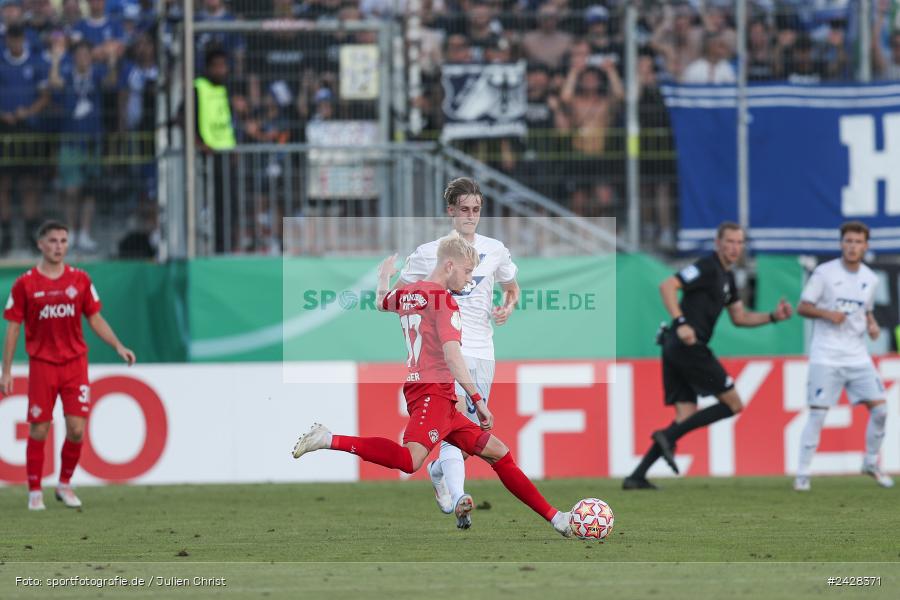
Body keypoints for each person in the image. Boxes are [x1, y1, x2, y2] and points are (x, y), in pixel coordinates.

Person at [292, 233, 572, 538]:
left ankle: (556, 518)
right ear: (449, 265)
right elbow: (453, 356)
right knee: (409, 460)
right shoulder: (445, 302)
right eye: (467, 272)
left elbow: (381, 302)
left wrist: (385, 276)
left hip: (435, 393)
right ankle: (329, 439)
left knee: (499, 453)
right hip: (433, 392)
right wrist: (478, 400)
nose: (468, 281)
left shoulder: (408, 293)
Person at [623, 222, 793, 490]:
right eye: (730, 242)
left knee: (686, 413)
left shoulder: (728, 279)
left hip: (676, 347)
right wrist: (681, 322)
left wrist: (772, 316)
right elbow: (667, 286)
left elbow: (740, 317)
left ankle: (636, 476)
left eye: (739, 242)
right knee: (733, 404)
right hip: (687, 345)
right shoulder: (706, 267)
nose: (735, 247)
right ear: (718, 243)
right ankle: (667, 436)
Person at [395, 177, 519, 529]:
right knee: (459, 427)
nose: (470, 217)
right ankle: (460, 497)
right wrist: (421, 326)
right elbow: (403, 293)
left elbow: (512, 288)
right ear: (451, 211)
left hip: (483, 350)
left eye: (476, 210)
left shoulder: (494, 250)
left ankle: (438, 472)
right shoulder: (428, 253)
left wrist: (508, 307)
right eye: (463, 210)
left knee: (465, 437)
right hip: (447, 354)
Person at [1, 221, 136, 511]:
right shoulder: (25, 284)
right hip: (43, 364)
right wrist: (7, 370)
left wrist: (118, 345)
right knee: (39, 429)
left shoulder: (80, 280)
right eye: (52, 241)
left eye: (63, 241)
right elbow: (13, 327)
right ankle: (35, 490)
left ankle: (64, 484)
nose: (58, 246)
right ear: (40, 244)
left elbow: (95, 318)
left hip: (75, 364)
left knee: (76, 429)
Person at [793, 221, 894, 491]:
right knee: (818, 415)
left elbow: (866, 310)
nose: (852, 247)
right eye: (848, 241)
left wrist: (871, 324)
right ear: (841, 244)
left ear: (865, 246)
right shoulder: (824, 274)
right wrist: (827, 314)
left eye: (858, 242)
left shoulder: (870, 279)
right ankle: (802, 473)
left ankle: (870, 462)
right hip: (826, 354)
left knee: (881, 410)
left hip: (857, 356)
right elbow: (802, 307)